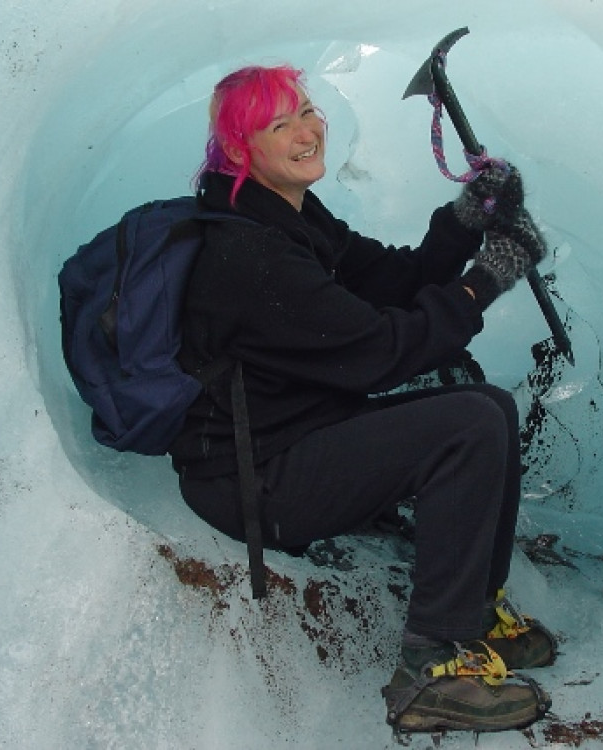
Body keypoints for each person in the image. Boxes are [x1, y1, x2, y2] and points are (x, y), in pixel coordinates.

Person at [169, 63, 556, 734]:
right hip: (252, 482)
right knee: (466, 423)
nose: (307, 131)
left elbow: (391, 280)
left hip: (296, 439)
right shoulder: (250, 255)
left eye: (308, 111)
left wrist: (467, 223)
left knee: (489, 407)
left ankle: (472, 617)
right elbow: (380, 352)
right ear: (238, 150)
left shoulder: (285, 215)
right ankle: (430, 671)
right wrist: (484, 284)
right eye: (278, 123)